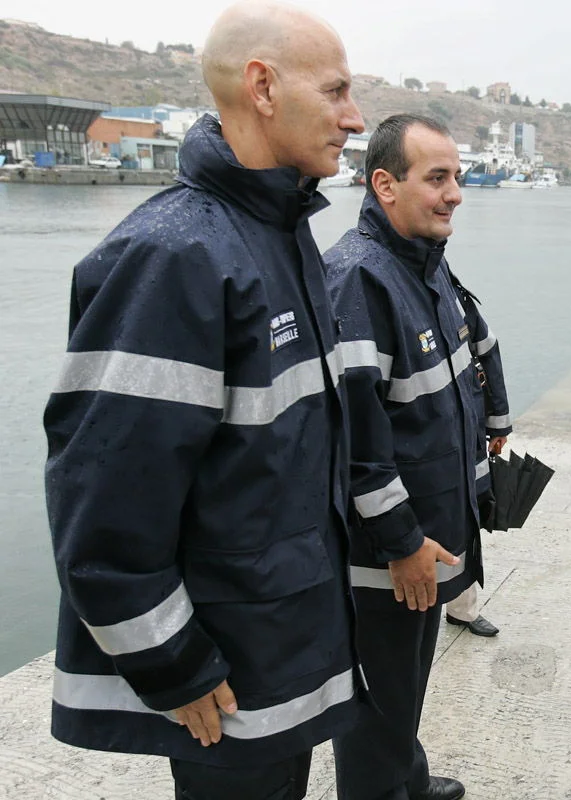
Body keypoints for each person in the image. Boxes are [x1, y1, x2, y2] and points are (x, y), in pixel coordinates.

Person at [42, 3, 365, 798]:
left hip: (283, 645)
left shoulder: (281, 233)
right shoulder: (176, 255)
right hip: (222, 675)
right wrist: (172, 663)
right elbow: (105, 491)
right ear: (262, 86)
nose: (354, 118)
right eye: (335, 92)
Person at [325, 113, 485, 800]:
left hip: (432, 533)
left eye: (458, 177)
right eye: (438, 178)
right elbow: (358, 437)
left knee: (404, 689)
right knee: (378, 702)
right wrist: (400, 541)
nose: (455, 194)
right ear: (384, 184)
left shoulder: (426, 267)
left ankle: (405, 780)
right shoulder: (360, 280)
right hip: (387, 553)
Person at [444, 269, 512, 639]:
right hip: (415, 437)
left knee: (466, 514)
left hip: (465, 426)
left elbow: (488, 352)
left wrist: (497, 423)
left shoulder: (455, 296)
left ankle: (463, 608)